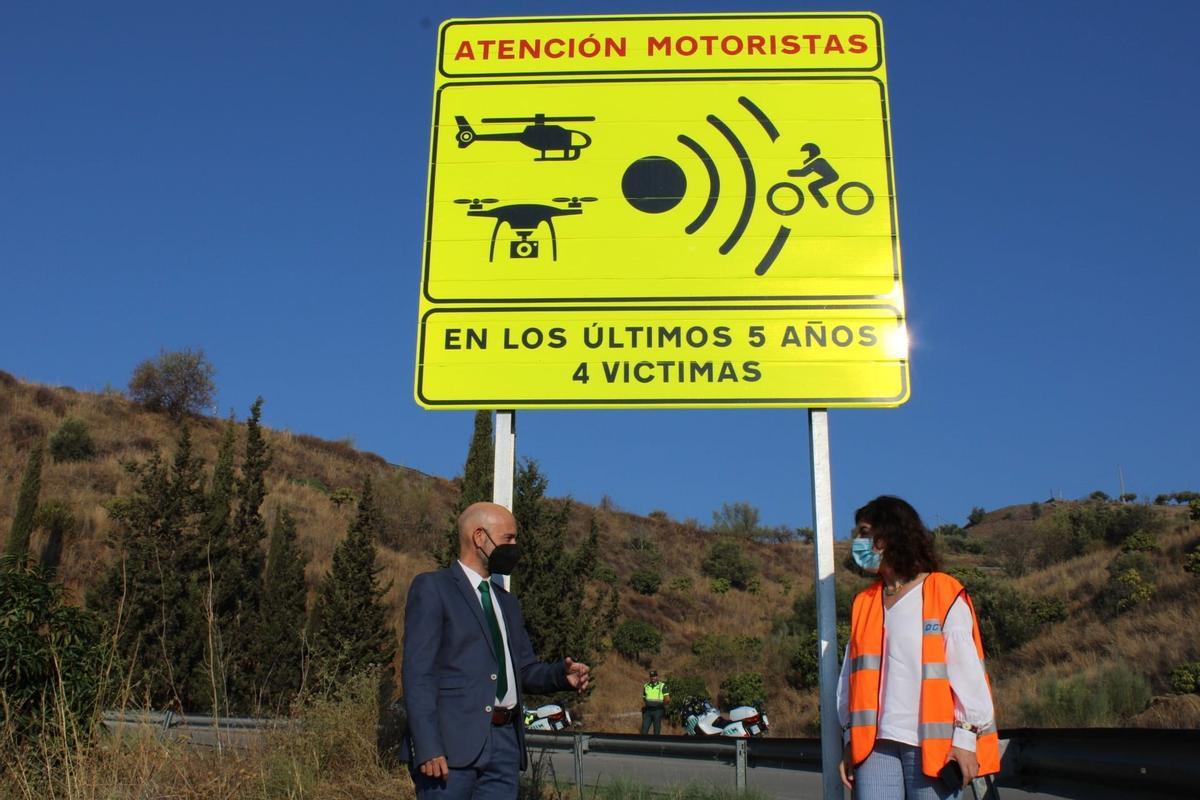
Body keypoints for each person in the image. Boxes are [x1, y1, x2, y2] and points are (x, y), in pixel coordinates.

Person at [402, 501, 591, 800]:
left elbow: (525, 670)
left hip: (504, 747)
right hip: (450, 750)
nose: (515, 546)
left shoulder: (507, 603)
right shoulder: (433, 588)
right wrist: (427, 746)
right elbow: (417, 674)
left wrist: (561, 675)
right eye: (509, 538)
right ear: (479, 537)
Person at [837, 496, 999, 799]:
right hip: (875, 747)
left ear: (887, 536)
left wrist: (965, 740)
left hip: (932, 749)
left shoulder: (942, 591)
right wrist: (850, 740)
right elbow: (851, 679)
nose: (856, 542)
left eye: (863, 532)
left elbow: (967, 673)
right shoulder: (865, 603)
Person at [640, 669, 669, 735]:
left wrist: (661, 705)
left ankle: (656, 744)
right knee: (644, 730)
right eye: (651, 676)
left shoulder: (662, 686)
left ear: (657, 676)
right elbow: (644, 698)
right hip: (648, 711)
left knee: (656, 731)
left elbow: (667, 699)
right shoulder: (646, 686)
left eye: (654, 676)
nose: (653, 678)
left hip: (658, 711)